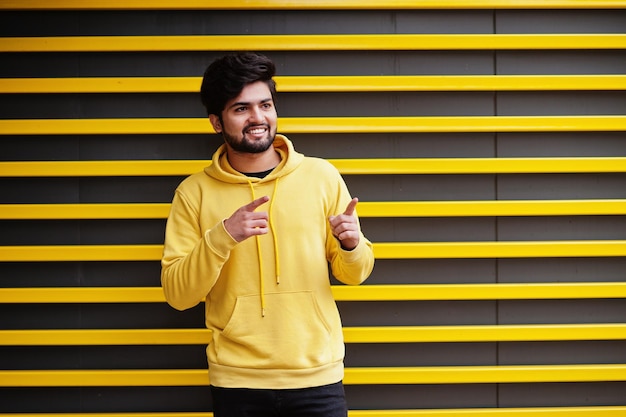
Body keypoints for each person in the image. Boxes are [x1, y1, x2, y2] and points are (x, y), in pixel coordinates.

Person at [161, 52, 375, 417]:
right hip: (236, 382)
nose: (258, 118)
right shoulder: (193, 193)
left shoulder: (321, 177)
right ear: (216, 122)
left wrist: (351, 245)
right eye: (241, 109)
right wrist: (222, 236)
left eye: (266, 105)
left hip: (317, 379)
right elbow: (178, 295)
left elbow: (354, 275)